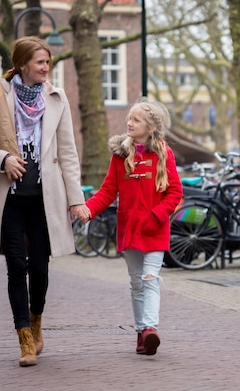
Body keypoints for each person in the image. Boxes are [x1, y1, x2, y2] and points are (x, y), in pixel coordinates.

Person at [0, 36, 90, 367]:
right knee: (16, 267)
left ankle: (36, 322)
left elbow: (68, 153)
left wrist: (76, 199)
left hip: (43, 198)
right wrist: (2, 160)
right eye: (39, 62)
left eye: (48, 62)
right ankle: (24, 340)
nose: (45, 67)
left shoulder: (57, 98)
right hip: (8, 199)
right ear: (22, 64)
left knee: (39, 267)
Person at [83, 99, 182, 356]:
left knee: (150, 280)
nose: (129, 123)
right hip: (129, 230)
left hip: (155, 230)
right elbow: (107, 191)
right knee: (136, 283)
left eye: (136, 120)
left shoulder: (164, 154)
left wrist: (156, 216)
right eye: (129, 118)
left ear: (150, 127)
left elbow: (175, 193)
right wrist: (88, 209)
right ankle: (142, 334)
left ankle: (150, 327)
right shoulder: (120, 156)